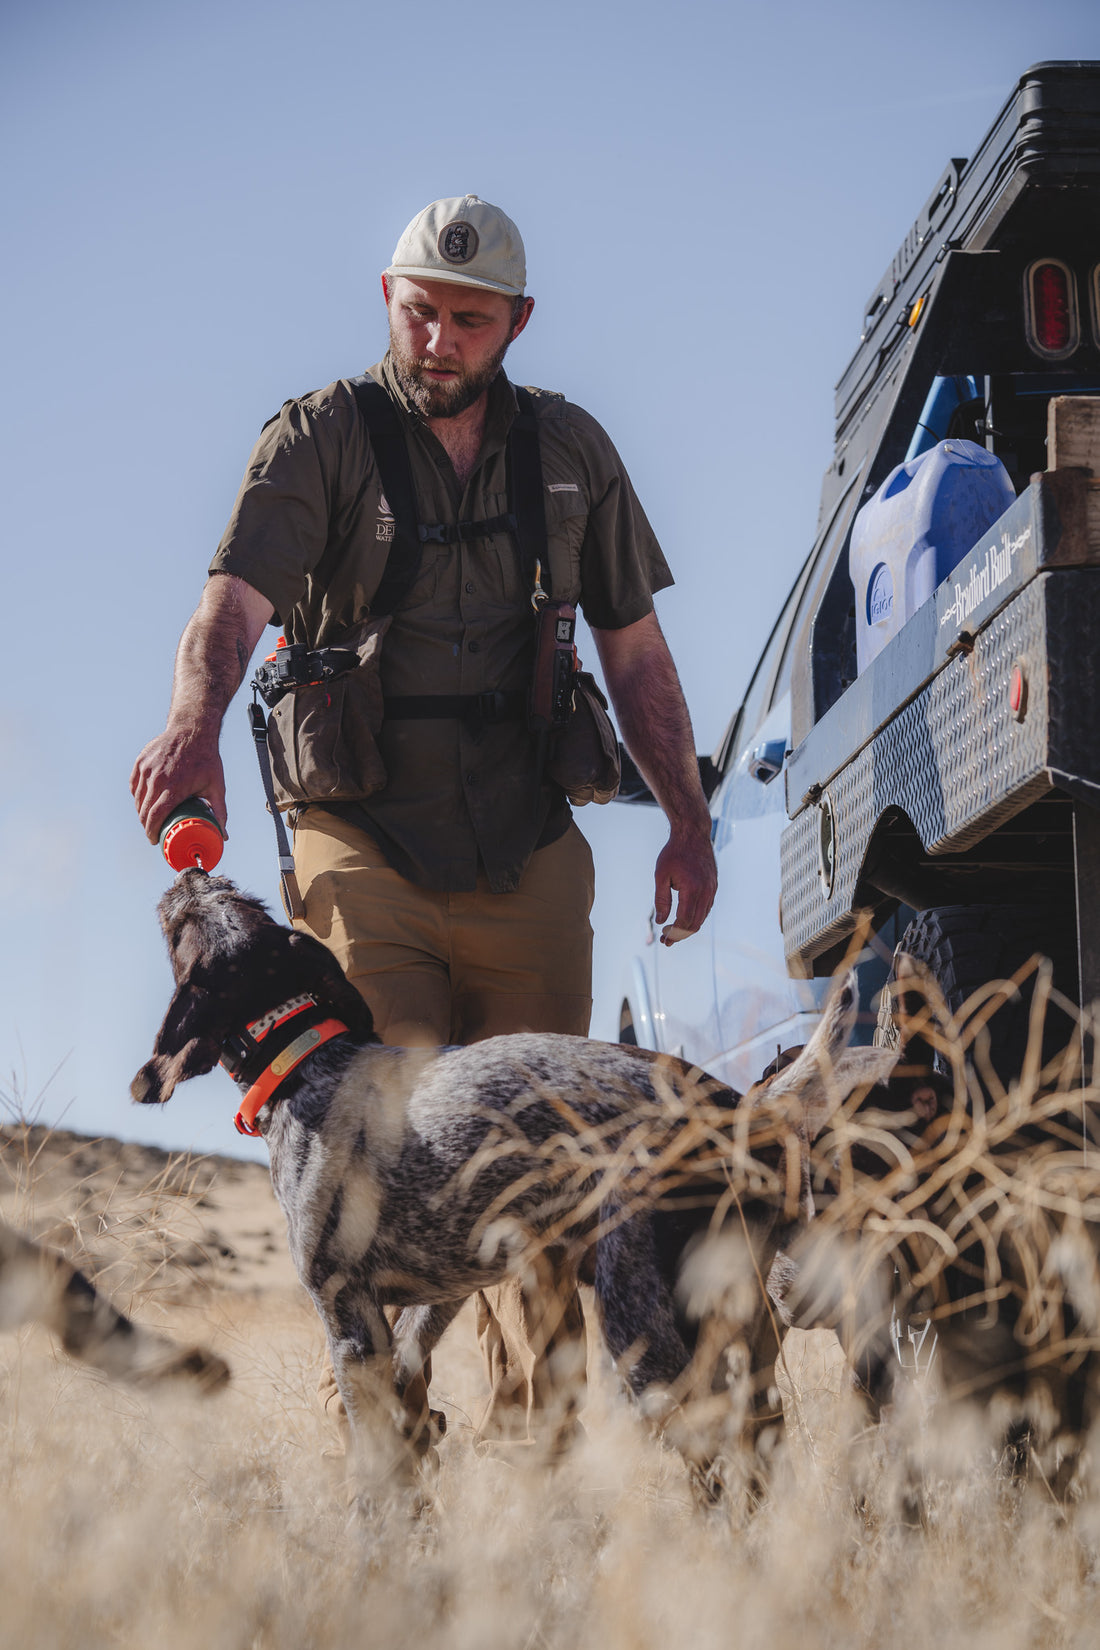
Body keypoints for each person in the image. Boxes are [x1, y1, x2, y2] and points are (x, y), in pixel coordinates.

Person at [131, 194, 717, 1451]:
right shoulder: (319, 439)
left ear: (516, 322)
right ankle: (387, 1443)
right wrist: (192, 721)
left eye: (468, 318)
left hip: (527, 847)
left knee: (543, 1181)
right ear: (385, 303)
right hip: (363, 842)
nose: (440, 339)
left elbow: (637, 656)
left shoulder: (571, 453)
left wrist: (687, 819)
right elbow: (229, 610)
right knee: (384, 1150)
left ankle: (533, 1474)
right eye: (420, 312)